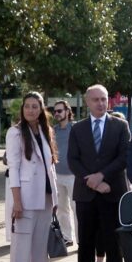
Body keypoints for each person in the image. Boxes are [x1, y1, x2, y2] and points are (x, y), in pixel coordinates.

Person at [68, 84, 130, 262]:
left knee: (114, 246)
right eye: (96, 99)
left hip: (112, 194)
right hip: (86, 196)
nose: (101, 103)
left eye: (104, 99)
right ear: (87, 102)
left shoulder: (120, 126)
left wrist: (103, 176)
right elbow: (73, 160)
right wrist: (92, 180)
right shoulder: (78, 128)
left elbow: (124, 157)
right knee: (85, 244)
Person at [6, 92, 59, 262]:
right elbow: (14, 169)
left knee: (39, 247)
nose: (30, 110)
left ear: (41, 109)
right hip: (25, 199)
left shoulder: (45, 131)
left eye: (35, 106)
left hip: (45, 197)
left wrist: (55, 198)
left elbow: (50, 168)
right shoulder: (16, 132)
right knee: (21, 247)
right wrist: (17, 202)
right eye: (27, 106)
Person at [53, 100, 76, 245]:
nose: (57, 113)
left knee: (76, 208)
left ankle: (81, 240)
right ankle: (67, 237)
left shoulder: (75, 128)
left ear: (67, 111)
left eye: (60, 111)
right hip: (57, 175)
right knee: (61, 209)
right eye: (55, 111)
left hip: (74, 175)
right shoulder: (53, 130)